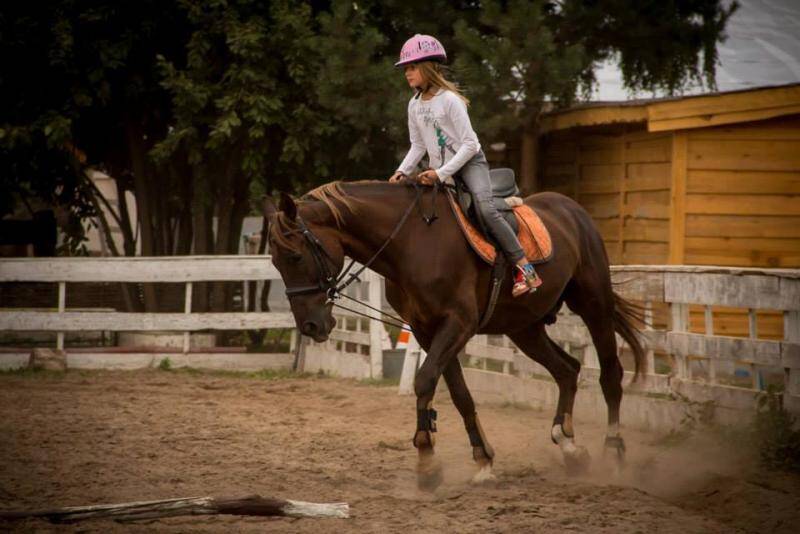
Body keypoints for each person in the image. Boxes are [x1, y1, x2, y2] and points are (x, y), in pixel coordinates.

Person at [388, 34, 542, 297]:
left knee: (484, 209)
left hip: (470, 163)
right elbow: (417, 145)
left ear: (428, 67)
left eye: (412, 67)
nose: (407, 73)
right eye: (405, 68)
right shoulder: (414, 105)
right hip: (440, 170)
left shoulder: (449, 100)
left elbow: (470, 144)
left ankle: (526, 271)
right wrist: (401, 170)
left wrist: (441, 172)